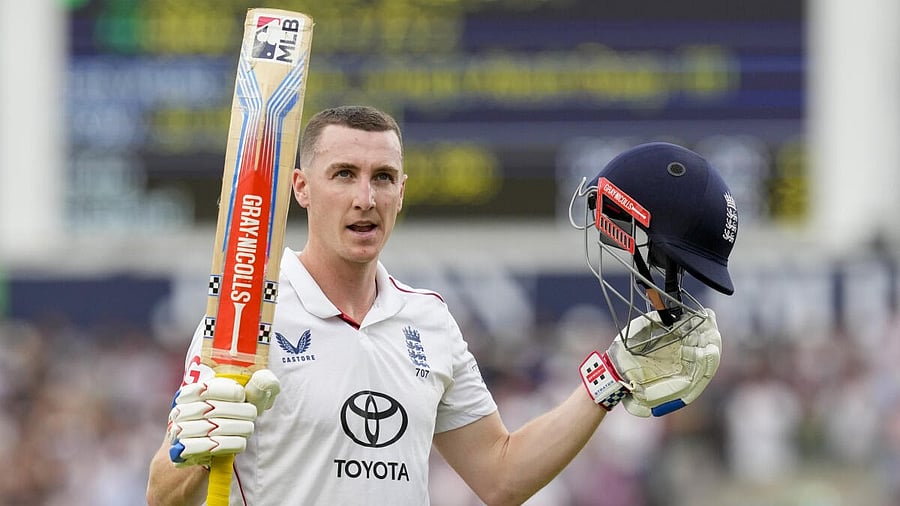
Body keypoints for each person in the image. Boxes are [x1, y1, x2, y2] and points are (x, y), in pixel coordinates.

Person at [147, 106, 736, 505]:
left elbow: (500, 476)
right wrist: (191, 450)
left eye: (382, 178)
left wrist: (607, 383)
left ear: (401, 192)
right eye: (344, 174)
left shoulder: (428, 319)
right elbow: (161, 493)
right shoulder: (250, 312)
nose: (364, 198)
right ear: (301, 188)